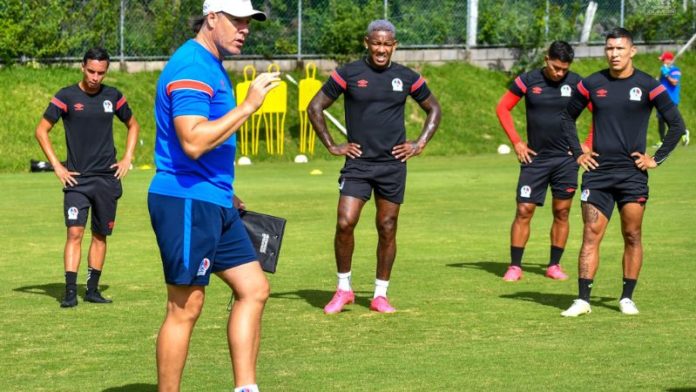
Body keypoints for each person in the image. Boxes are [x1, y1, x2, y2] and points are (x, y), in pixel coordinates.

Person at [148, 1, 279, 391]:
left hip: (214, 198)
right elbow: (192, 140)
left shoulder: (210, 64)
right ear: (211, 18)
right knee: (185, 306)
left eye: (249, 22)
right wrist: (248, 106)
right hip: (185, 199)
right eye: (237, 20)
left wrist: (227, 191)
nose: (245, 29)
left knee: (254, 289)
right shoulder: (192, 66)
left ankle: (246, 388)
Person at [308, 19, 441, 314]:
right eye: (376, 43)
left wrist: (419, 144)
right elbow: (315, 107)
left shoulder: (407, 77)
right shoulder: (348, 74)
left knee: (387, 226)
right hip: (358, 163)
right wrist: (332, 145)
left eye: (386, 44)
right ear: (366, 43)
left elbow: (434, 108)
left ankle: (380, 294)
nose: (381, 49)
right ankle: (343, 288)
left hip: (393, 165)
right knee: (345, 221)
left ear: (394, 46)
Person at [559, 28, 686, 317]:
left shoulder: (649, 85)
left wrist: (656, 159)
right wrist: (579, 152)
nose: (613, 54)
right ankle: (582, 300)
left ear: (632, 51)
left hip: (632, 175)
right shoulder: (592, 83)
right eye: (609, 49)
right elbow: (567, 116)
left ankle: (626, 297)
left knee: (632, 234)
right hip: (597, 173)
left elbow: (676, 125)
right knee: (591, 234)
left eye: (619, 48)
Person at [35, 47, 140, 308]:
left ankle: (92, 290)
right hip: (77, 180)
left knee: (100, 235)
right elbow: (42, 130)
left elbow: (133, 125)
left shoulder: (113, 96)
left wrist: (127, 157)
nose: (95, 77)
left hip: (107, 179)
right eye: (91, 71)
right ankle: (70, 292)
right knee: (74, 232)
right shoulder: (66, 96)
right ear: (83, 67)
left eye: (101, 73)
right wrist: (57, 167)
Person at [495, 41, 583, 282]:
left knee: (562, 211)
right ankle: (515, 266)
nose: (559, 73)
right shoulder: (528, 80)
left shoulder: (576, 83)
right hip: (535, 158)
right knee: (524, 209)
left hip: (566, 160)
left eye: (564, 69)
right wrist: (517, 142)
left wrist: (587, 144)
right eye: (556, 67)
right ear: (546, 59)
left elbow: (602, 109)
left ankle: (554, 265)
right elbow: (503, 108)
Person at [655, 51, 688, 147]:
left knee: (671, 120)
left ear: (669, 60)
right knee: (660, 119)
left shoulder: (675, 70)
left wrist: (666, 74)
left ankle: (683, 132)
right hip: (661, 98)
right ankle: (662, 140)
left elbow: (674, 82)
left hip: (671, 99)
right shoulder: (663, 69)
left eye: (663, 60)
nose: (662, 62)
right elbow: (660, 82)